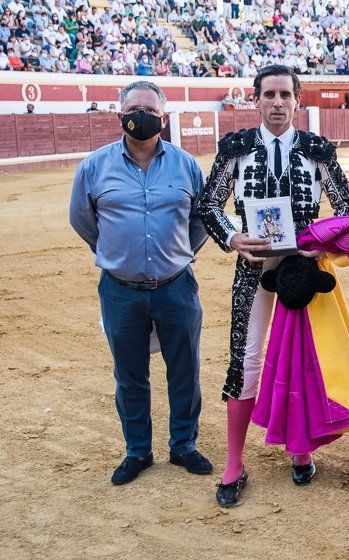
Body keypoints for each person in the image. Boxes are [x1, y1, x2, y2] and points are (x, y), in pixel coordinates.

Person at [198, 65, 349, 507]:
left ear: (297, 101)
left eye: (285, 95)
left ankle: (300, 448)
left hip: (304, 269)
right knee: (247, 357)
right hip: (254, 266)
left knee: (302, 358)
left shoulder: (317, 151)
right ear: (256, 100)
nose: (277, 103)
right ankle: (234, 463)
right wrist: (234, 238)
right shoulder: (236, 148)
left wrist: (319, 246)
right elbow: (209, 204)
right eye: (269, 95)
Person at [69, 80, 211, 486]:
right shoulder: (94, 166)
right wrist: (117, 253)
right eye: (134, 108)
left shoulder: (185, 165)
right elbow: (83, 219)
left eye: (150, 110)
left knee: (184, 369)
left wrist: (178, 253)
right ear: (120, 115)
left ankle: (183, 444)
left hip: (176, 284)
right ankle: (138, 451)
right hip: (119, 289)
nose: (141, 115)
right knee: (129, 374)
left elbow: (200, 220)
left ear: (163, 120)